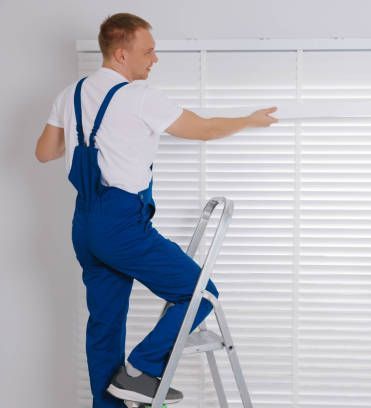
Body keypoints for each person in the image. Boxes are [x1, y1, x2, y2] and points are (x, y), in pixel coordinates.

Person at [35, 13, 277, 408]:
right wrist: (248, 120)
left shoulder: (71, 95)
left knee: (104, 324)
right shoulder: (140, 97)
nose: (155, 59)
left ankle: (109, 402)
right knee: (201, 293)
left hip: (85, 225)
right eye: (147, 52)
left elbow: (45, 152)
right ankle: (142, 369)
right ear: (120, 53)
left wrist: (85, 133)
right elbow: (204, 129)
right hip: (122, 224)